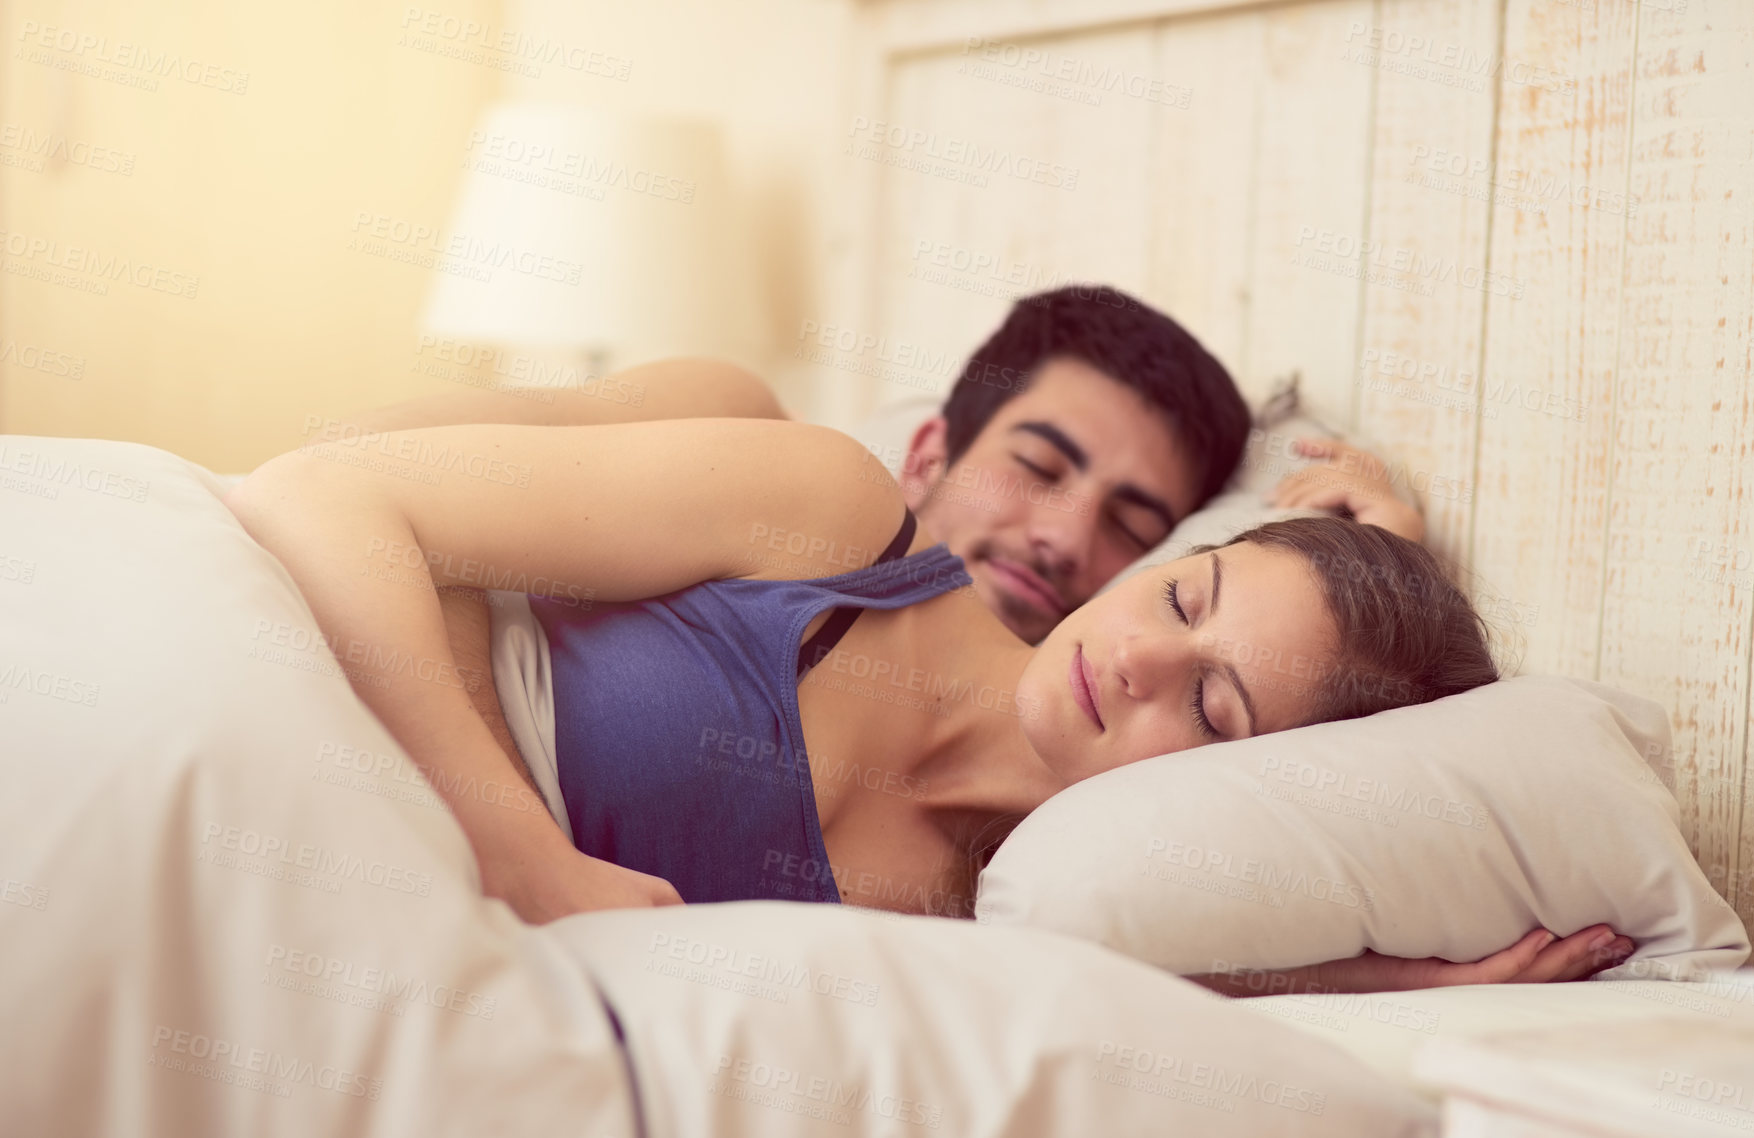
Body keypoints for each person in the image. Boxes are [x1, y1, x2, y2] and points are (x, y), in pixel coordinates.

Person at [224, 409, 1634, 995]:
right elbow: (324, 491)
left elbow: (1272, 932)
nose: (1135, 660)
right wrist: (522, 858)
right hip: (266, 673)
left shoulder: (1010, 930)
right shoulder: (835, 524)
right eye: (1184, 595)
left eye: (1209, 715)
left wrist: (1412, 981)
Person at [344, 285, 1424, 645]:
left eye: (1133, 527)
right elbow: (360, 454)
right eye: (1040, 465)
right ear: (926, 454)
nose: (1066, 537)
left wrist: (1390, 571)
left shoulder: (1055, 738)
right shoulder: (746, 433)